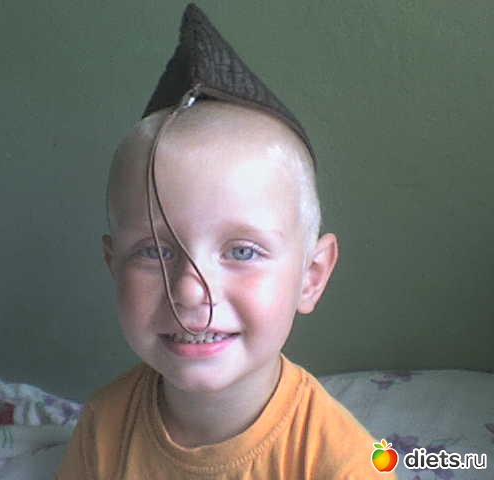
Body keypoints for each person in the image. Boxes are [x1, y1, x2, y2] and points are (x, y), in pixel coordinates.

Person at [56, 4, 397, 479]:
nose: (190, 291)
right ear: (113, 265)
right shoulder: (103, 426)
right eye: (155, 251)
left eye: (242, 252)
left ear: (311, 276)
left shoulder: (344, 465)